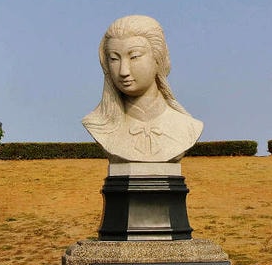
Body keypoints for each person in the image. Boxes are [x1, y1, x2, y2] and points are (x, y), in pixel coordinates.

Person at [83, 15, 203, 163]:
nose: (123, 71)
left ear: (158, 59)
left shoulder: (188, 127)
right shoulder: (99, 125)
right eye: (114, 59)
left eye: (134, 57)